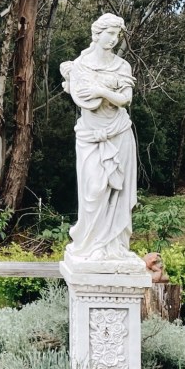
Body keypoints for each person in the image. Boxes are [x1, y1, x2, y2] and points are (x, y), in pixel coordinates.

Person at [61, 13, 139, 261]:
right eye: (110, 34)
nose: (114, 40)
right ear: (97, 34)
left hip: (118, 132)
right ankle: (89, 242)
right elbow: (79, 94)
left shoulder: (121, 66)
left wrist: (101, 90)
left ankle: (110, 247)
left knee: (116, 192)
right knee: (93, 189)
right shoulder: (79, 65)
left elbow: (125, 99)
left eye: (117, 35)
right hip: (89, 136)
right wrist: (71, 83)